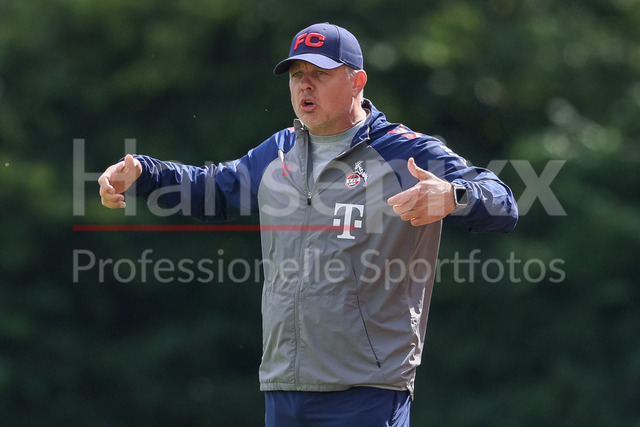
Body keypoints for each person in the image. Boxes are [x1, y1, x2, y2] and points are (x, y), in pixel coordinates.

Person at [99, 22, 518, 427]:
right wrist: (144, 174)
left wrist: (453, 196)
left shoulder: (403, 151)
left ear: (357, 82)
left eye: (320, 74)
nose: (305, 85)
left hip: (367, 390)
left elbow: (503, 201)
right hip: (284, 387)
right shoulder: (278, 151)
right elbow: (214, 189)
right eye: (297, 75)